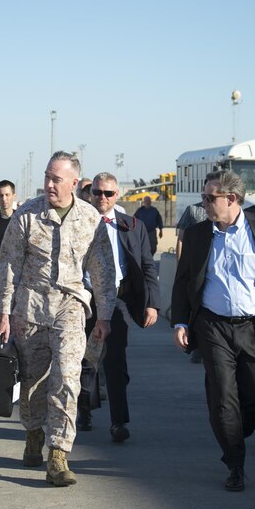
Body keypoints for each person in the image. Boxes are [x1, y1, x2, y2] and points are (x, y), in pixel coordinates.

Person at [170, 169, 255, 492]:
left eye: (209, 198)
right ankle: (235, 463)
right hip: (213, 326)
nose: (203, 204)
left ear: (231, 199)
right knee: (222, 399)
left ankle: (235, 430)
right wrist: (181, 321)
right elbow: (184, 279)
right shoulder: (199, 234)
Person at [0, 151, 117, 486]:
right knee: (33, 383)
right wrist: (3, 313)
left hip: (71, 307)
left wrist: (105, 315)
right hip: (30, 310)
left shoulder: (90, 218)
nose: (49, 184)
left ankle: (58, 454)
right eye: (47, 177)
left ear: (74, 183)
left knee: (66, 380)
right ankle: (33, 432)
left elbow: (103, 271)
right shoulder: (26, 215)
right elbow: (7, 267)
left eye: (56, 179)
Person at [79, 173, 160, 442]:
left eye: (109, 193)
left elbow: (147, 265)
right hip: (85, 301)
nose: (103, 198)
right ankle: (84, 411)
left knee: (116, 364)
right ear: (90, 194)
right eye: (97, 192)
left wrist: (152, 304)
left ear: (118, 196)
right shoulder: (77, 223)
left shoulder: (132, 225)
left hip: (117, 301)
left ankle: (118, 422)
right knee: (86, 362)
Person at [175, 200, 209, 363]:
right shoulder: (193, 211)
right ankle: (196, 347)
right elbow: (181, 238)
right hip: (194, 268)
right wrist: (181, 265)